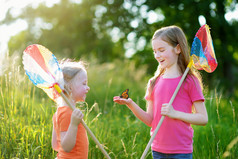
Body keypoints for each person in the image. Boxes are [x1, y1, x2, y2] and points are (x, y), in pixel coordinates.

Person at [113, 25, 208, 159]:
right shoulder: (154, 82)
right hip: (157, 150)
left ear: (178, 48)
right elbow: (151, 120)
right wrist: (130, 104)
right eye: (155, 51)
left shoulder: (189, 80)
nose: (157, 55)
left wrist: (175, 114)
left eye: (161, 50)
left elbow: (203, 118)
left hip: (181, 151)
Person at [52, 59, 90, 159]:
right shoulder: (68, 113)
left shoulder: (59, 113)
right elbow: (66, 148)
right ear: (69, 87)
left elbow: (55, 145)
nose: (88, 87)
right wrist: (73, 124)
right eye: (84, 83)